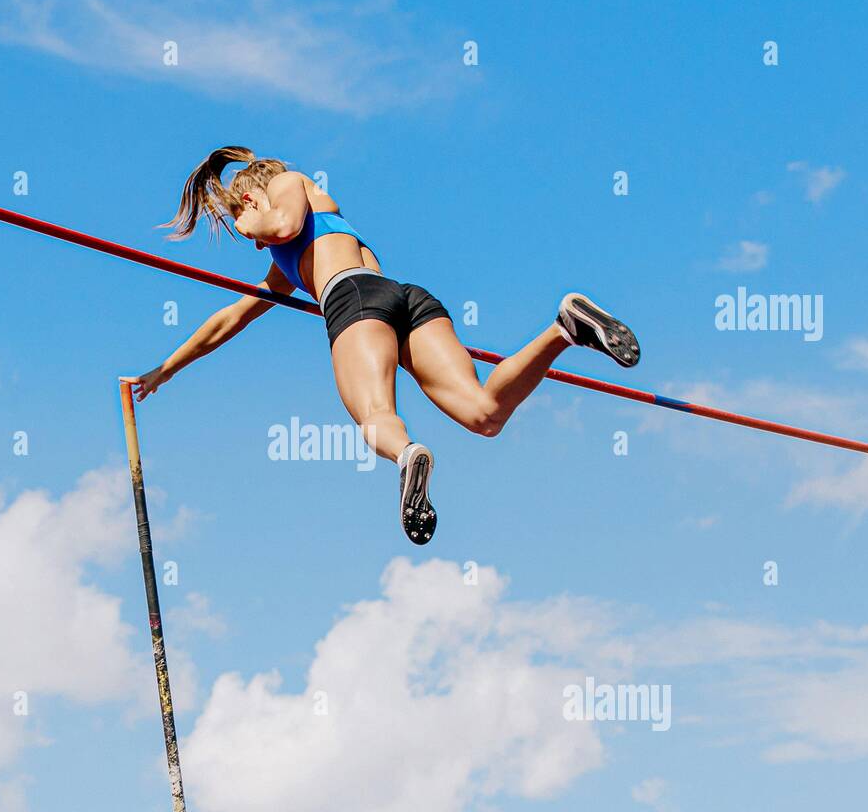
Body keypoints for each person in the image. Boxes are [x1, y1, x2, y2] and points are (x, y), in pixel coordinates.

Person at [123, 147, 640, 545]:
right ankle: (565, 328)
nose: (254, 241)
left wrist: (248, 212)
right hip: (406, 298)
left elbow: (280, 223)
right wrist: (165, 369)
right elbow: (229, 318)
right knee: (484, 413)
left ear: (253, 197)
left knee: (374, 413)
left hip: (354, 298)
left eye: (243, 222)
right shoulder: (287, 263)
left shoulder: (287, 185)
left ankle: (406, 453)